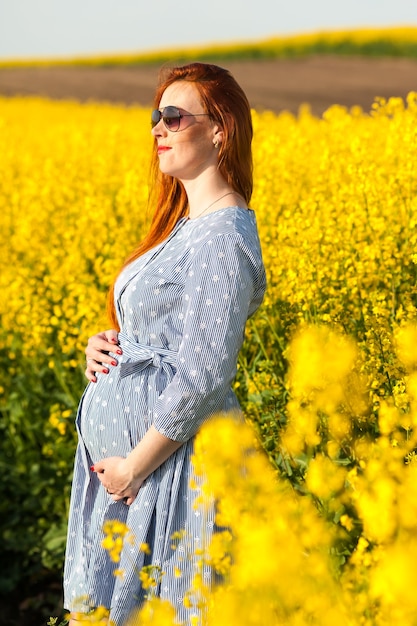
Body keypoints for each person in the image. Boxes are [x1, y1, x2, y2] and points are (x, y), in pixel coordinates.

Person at [63, 62, 266, 626]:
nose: (158, 128)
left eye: (174, 117)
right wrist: (108, 348)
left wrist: (133, 468)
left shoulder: (223, 236)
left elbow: (203, 375)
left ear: (220, 128)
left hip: (172, 474)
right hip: (138, 475)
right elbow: (162, 337)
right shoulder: (185, 226)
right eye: (157, 116)